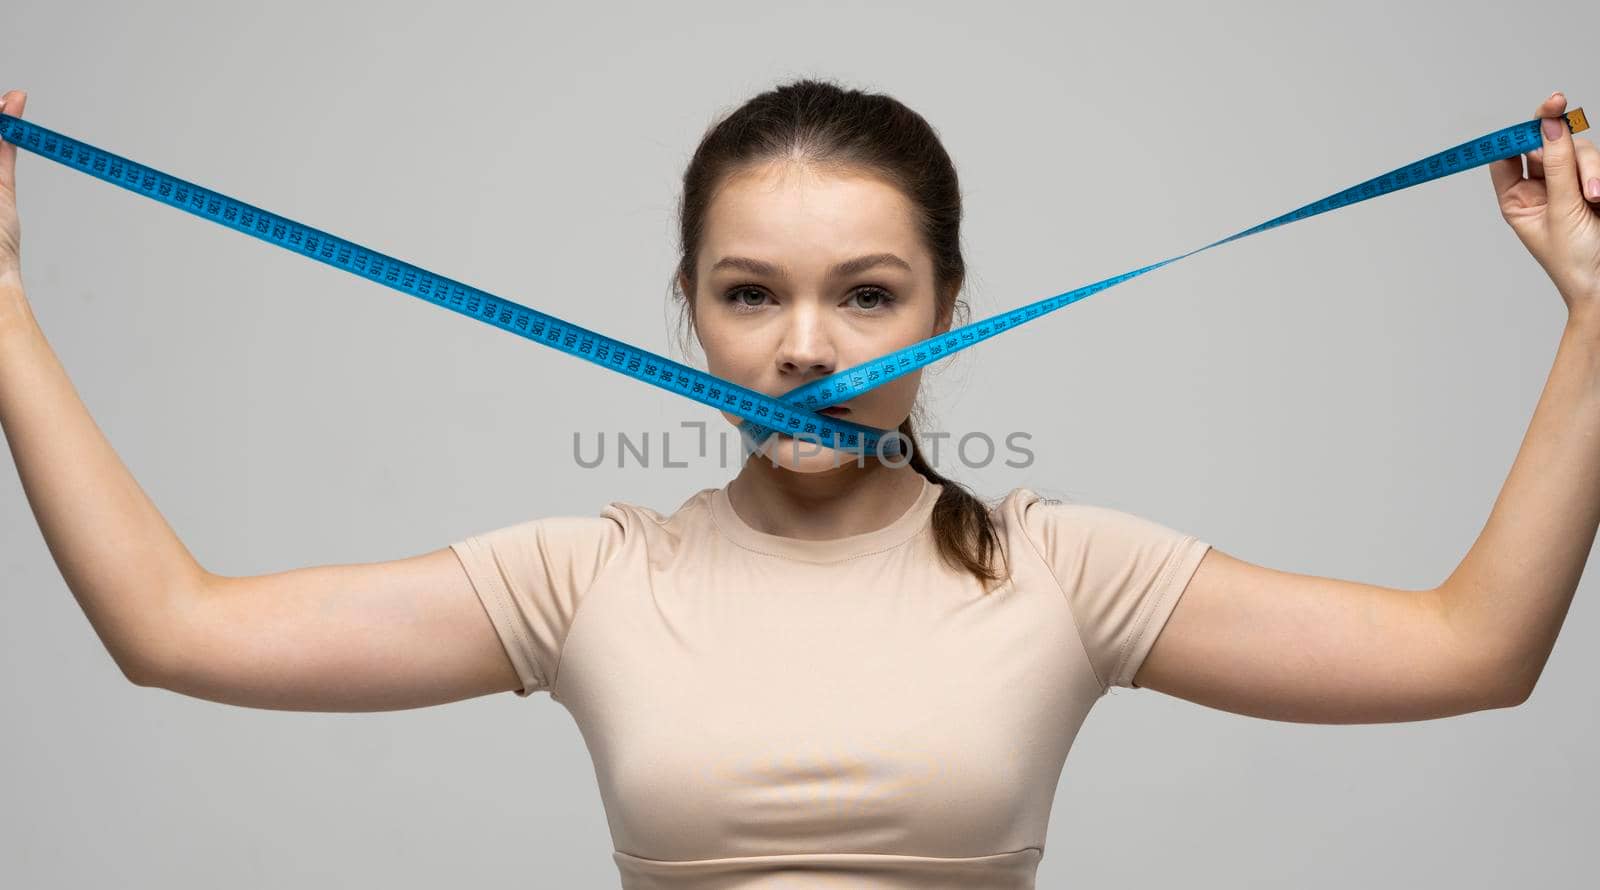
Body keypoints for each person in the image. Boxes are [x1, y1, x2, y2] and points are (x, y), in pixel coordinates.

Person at [1, 79, 1597, 889]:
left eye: (868, 293)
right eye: (750, 292)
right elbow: (172, 624)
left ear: (950, 306)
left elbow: (1476, 649)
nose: (802, 344)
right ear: (686, 307)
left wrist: (1599, 313)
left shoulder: (1062, 569)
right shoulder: (587, 577)